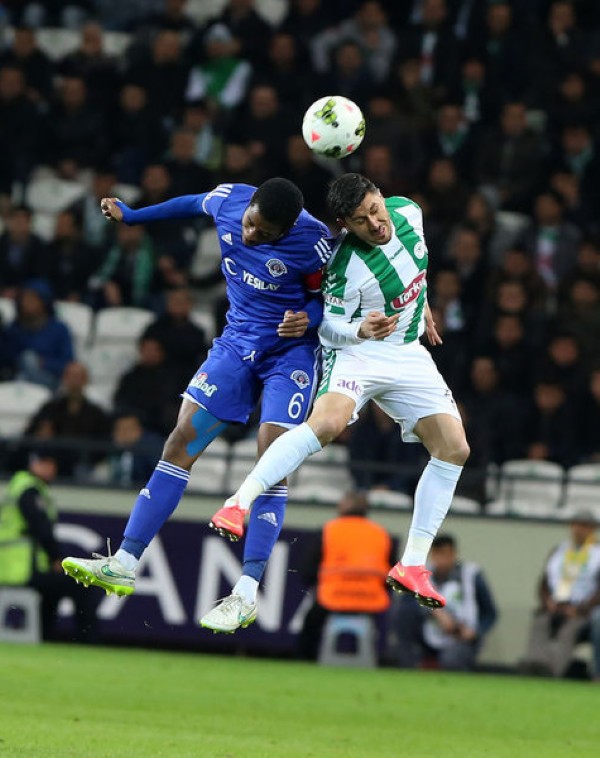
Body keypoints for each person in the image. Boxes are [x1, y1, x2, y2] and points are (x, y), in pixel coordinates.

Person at [62, 178, 331, 631]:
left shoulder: (315, 243)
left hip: (291, 354)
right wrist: (134, 216)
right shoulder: (229, 201)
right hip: (236, 342)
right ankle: (124, 561)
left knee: (273, 454)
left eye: (265, 234)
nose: (250, 235)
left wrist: (310, 317)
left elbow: (336, 298)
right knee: (180, 439)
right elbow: (188, 202)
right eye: (251, 224)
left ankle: (246, 592)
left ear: (286, 230)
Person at [214, 173, 470, 631]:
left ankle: (412, 564)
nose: (375, 223)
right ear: (344, 225)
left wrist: (424, 306)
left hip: (407, 353)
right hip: (357, 354)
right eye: (361, 220)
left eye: (375, 209)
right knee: (327, 425)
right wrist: (360, 330)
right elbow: (329, 329)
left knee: (454, 448)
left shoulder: (409, 212)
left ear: (381, 197)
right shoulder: (345, 265)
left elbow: (415, 267)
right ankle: (239, 502)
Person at [0, 451, 98, 642]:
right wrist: (56, 558)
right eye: (46, 464)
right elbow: (41, 528)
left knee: (53, 589)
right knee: (80, 583)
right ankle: (89, 640)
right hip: (20, 570)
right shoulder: (29, 490)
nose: (51, 469)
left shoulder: (20, 486)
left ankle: (46, 636)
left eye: (53, 465)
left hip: (12, 567)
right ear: (34, 464)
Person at [298, 491, 393, 660]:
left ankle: (306, 659)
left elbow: (308, 571)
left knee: (311, 624)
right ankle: (382, 659)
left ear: (344, 506)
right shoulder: (381, 534)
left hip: (333, 597)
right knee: (386, 623)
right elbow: (392, 575)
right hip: (372, 599)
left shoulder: (328, 530)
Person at [391, 534, 497, 671]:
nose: (442, 560)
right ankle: (408, 666)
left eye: (446, 554)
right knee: (404, 613)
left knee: (450, 660)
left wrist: (475, 631)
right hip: (428, 633)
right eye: (437, 555)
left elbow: (490, 613)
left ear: (454, 554)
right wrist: (436, 611)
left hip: (460, 637)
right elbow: (406, 604)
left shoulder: (471, 575)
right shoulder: (422, 575)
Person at [520, 511, 600, 678]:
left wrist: (580, 610)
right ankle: (534, 664)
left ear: (593, 529)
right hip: (556, 604)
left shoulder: (596, 553)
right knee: (541, 622)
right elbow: (544, 582)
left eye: (584, 526)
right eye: (575, 525)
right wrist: (547, 602)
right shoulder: (559, 551)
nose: (578, 530)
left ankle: (552, 669)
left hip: (581, 610)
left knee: (568, 629)